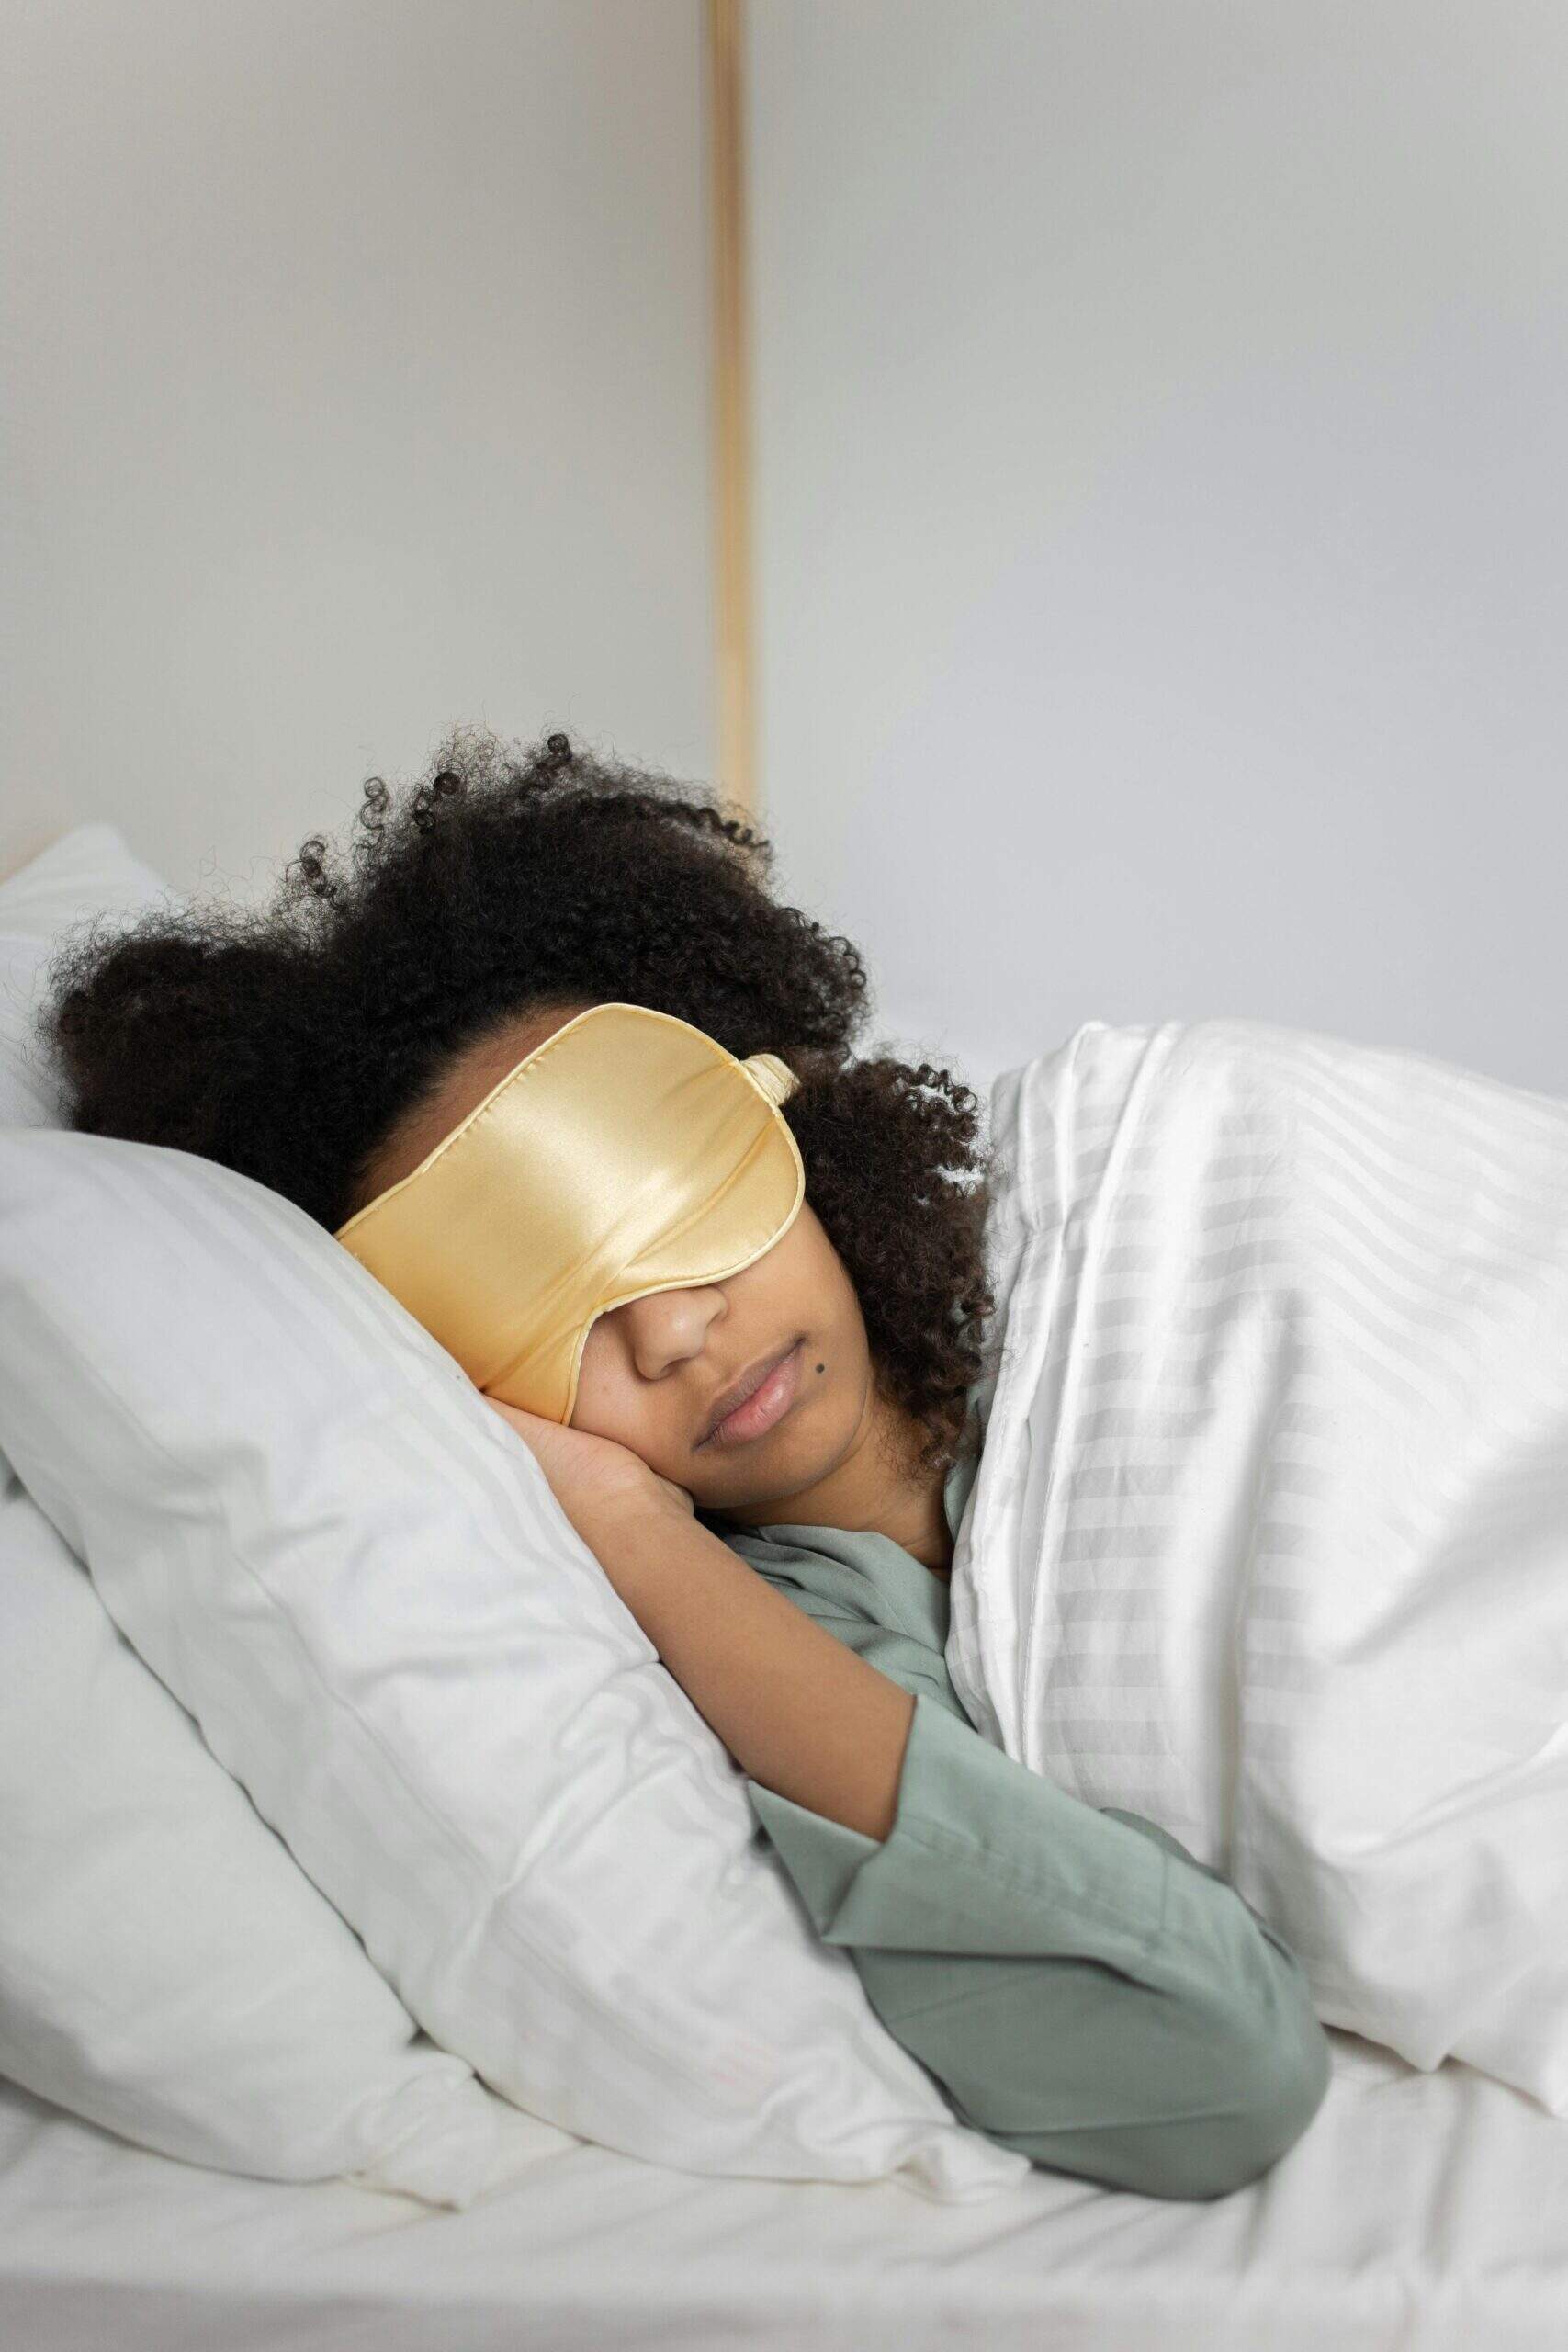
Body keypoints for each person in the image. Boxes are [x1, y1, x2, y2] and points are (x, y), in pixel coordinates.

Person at [39, 724, 1331, 2198]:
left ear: (773, 1095)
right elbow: (1226, 2062)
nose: (671, 1330)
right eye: (534, 1313)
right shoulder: (791, 1654)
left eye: (663, 1185)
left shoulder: (1105, 1246)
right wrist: (633, 1535)